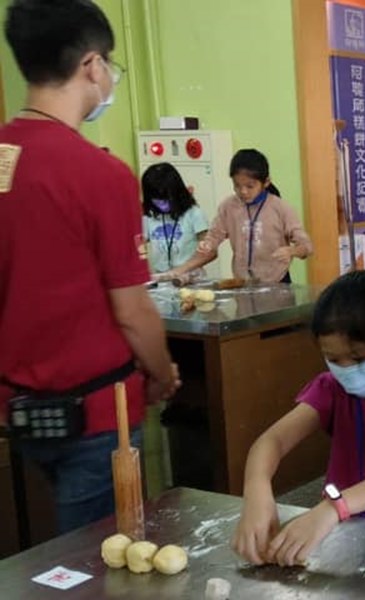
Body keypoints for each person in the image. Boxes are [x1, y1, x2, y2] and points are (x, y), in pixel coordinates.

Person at [0, 0, 178, 534]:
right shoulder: (100, 174)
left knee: (46, 564)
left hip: (17, 408)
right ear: (92, 66)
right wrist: (162, 372)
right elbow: (131, 309)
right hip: (99, 413)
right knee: (104, 560)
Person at [232, 271, 365, 566]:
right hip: (343, 536)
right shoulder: (331, 390)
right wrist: (256, 489)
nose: (347, 369)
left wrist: (334, 508)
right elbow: (273, 440)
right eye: (334, 360)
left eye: (358, 358)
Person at [165, 149, 312, 283]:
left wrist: (292, 251)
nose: (243, 192)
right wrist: (208, 244)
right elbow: (214, 236)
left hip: (277, 280)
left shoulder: (281, 208)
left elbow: (306, 247)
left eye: (250, 186)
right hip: (242, 282)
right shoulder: (229, 207)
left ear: (266, 182)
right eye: (237, 185)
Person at [141, 162, 208, 277]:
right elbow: (138, 246)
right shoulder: (149, 217)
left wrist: (181, 270)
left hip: (191, 276)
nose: (162, 204)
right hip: (161, 278)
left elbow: (209, 251)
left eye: (166, 199)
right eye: (157, 200)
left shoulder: (193, 213)